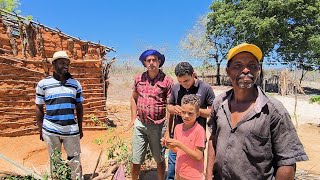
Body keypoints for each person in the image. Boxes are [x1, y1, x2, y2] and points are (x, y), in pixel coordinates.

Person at [205, 43, 308, 180]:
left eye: (252, 65)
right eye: (238, 65)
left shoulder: (274, 110)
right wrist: (207, 176)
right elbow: (213, 140)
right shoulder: (219, 103)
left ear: (258, 70)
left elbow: (287, 163)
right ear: (228, 71)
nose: (246, 70)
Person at [124, 49, 174, 180]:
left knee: (159, 158)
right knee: (136, 159)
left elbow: (170, 106)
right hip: (140, 124)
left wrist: (168, 130)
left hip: (158, 126)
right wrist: (133, 118)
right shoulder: (138, 79)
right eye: (148, 60)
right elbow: (133, 98)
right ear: (144, 63)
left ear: (159, 62)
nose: (151, 63)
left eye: (154, 60)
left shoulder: (167, 81)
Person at [35, 51, 84, 180]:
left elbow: (79, 107)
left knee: (75, 160)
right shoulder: (43, 84)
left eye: (67, 63)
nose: (66, 66)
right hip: (50, 130)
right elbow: (39, 107)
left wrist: (80, 128)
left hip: (71, 130)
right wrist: (41, 129)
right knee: (55, 161)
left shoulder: (75, 84)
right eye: (62, 63)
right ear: (54, 64)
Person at [166, 62, 215, 179]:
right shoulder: (176, 88)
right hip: (178, 133)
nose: (184, 85)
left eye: (186, 81)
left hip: (195, 137)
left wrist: (193, 111)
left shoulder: (205, 88)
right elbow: (169, 107)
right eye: (180, 81)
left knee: (192, 167)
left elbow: (213, 112)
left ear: (194, 75)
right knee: (173, 169)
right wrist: (174, 109)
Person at [162, 94, 206, 180]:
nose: (186, 116)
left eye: (190, 113)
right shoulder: (178, 128)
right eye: (183, 112)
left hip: (193, 175)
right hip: (179, 171)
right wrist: (169, 146)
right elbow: (177, 151)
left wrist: (179, 144)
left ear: (197, 114)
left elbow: (198, 156)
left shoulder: (199, 130)